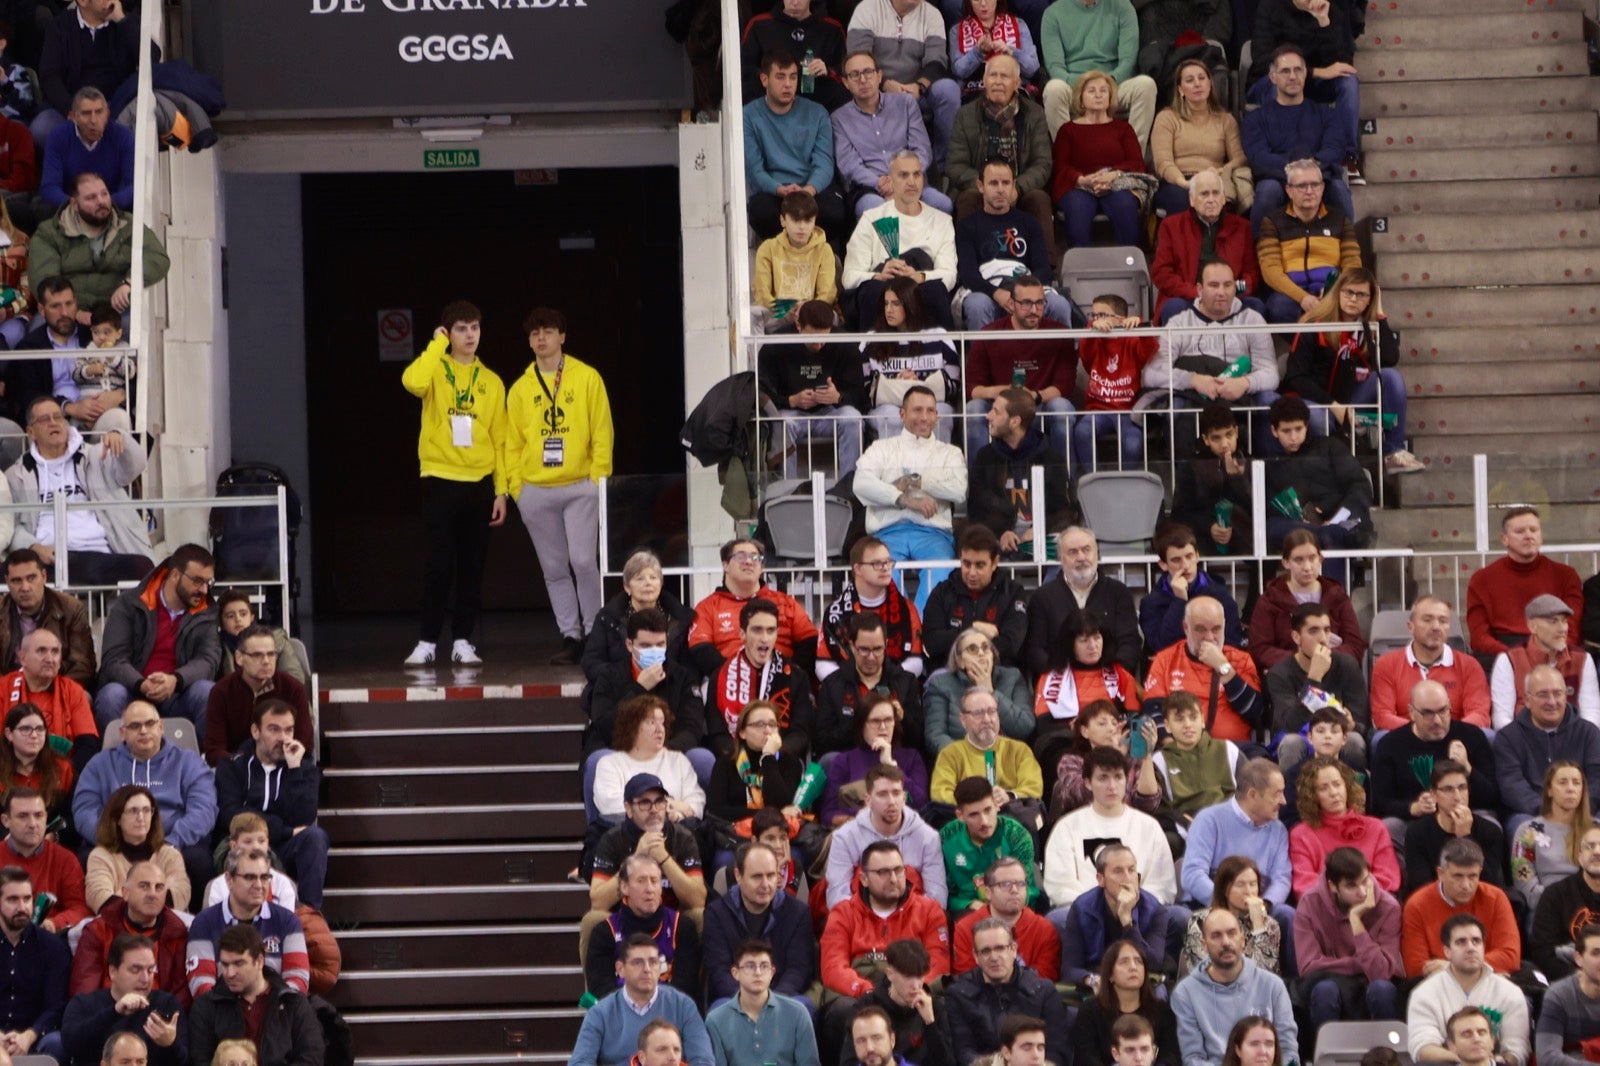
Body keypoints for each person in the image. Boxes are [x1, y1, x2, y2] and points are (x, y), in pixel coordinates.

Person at [399, 300, 507, 668]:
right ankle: (427, 641)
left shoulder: (491, 381)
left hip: (479, 483)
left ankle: (462, 640)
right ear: (448, 332)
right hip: (441, 479)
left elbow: (500, 439)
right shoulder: (435, 368)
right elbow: (410, 382)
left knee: (472, 566)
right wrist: (435, 345)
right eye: (461, 328)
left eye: (474, 327)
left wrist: (502, 490)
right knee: (438, 565)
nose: (470, 335)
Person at [507, 306, 613, 666]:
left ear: (562, 337)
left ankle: (597, 633)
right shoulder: (521, 388)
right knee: (553, 569)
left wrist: (598, 478)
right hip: (535, 489)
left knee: (583, 560)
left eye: (548, 331)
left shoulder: (586, 377)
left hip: (579, 484)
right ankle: (571, 636)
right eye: (535, 333)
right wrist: (516, 488)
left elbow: (602, 431)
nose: (541, 338)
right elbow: (512, 442)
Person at [6, 393, 154, 586]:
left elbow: (134, 468)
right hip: (46, 561)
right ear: (31, 432)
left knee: (143, 566)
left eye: (58, 417)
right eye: (44, 419)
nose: (53, 423)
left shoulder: (95, 456)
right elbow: (11, 527)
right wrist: (34, 547)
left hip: (99, 553)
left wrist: (121, 439)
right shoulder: (16, 475)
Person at [73, 700, 216, 900]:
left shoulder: (188, 762)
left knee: (199, 861)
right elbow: (84, 810)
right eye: (134, 726)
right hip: (115, 844)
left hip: (173, 843)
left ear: (161, 727)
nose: (143, 731)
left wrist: (170, 843)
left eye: (150, 724)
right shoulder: (100, 764)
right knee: (84, 858)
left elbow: (204, 809)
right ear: (122, 732)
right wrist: (111, 840)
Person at [1286, 267, 1422, 473]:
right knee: (1317, 419)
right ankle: (1330, 469)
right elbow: (1296, 377)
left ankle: (1393, 452)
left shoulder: (1369, 326)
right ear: (1338, 292)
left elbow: (1389, 358)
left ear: (1370, 299)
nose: (1353, 299)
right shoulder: (1313, 324)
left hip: (1352, 398)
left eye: (1361, 295)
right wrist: (1333, 406)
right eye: (1348, 292)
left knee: (1392, 377)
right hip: (1316, 400)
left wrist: (1380, 315)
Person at [1143, 259, 1280, 457]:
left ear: (1235, 287)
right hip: (1194, 396)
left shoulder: (1252, 319)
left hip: (1238, 396)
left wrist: (1244, 383)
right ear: (1199, 289)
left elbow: (1271, 373)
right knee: (1176, 406)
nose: (1221, 292)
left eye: (1227, 285)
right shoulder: (1179, 322)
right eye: (1213, 285)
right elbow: (1151, 374)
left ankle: (1264, 475)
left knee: (1270, 400)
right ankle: (1185, 477)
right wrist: (1192, 380)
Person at [853, 387, 967, 613]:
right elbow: (861, 484)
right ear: (902, 414)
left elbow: (959, 491)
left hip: (933, 533)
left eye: (930, 411)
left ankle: (918, 631)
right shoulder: (881, 448)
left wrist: (918, 480)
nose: (924, 417)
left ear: (937, 416)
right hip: (887, 532)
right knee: (882, 573)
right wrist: (901, 499)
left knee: (940, 572)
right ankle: (903, 626)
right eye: (917, 410)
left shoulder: (950, 452)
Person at [213, 698, 327, 911]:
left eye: (288, 730)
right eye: (273, 730)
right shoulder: (232, 766)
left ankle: (310, 915)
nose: (283, 738)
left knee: (315, 837)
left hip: (283, 848)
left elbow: (304, 817)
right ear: (256, 731)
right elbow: (231, 816)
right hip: (243, 846)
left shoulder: (304, 768)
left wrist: (294, 770)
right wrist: (284, 830)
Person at [92, 544, 218, 732]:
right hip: (133, 692)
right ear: (175, 575)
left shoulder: (206, 612)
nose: (204, 590)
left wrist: (176, 680)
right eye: (197, 581)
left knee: (207, 692)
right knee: (111, 695)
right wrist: (142, 684)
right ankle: (118, 760)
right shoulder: (130, 603)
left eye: (208, 582)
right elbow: (114, 659)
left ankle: (196, 760)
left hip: (178, 694)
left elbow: (208, 660)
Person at [1179, 760, 1294, 965]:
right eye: (1276, 794)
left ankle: (1291, 987)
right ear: (1252, 794)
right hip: (1212, 903)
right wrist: (1227, 905)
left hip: (1258, 905)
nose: (1284, 801)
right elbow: (1192, 874)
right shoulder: (1209, 820)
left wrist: (1264, 905)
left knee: (1286, 914)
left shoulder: (1278, 830)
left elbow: (1282, 878)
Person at [584, 772, 706, 964]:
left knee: (699, 916)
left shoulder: (682, 837)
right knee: (593, 920)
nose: (654, 809)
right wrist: (636, 857)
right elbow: (598, 900)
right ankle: (596, 994)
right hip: (626, 920)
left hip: (671, 920)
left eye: (659, 802)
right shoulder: (612, 839)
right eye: (644, 803)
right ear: (628, 808)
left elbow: (698, 899)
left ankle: (696, 993)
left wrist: (664, 858)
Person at [1371, 679, 1499, 849]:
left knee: (1490, 822)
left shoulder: (1472, 736)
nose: (1437, 720)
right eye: (1427, 713)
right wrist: (1412, 808)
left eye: (1443, 711)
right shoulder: (1391, 744)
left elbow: (1492, 797)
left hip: (1465, 816)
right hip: (1414, 822)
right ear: (1411, 712)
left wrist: (1467, 769)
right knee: (1389, 827)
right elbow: (1381, 802)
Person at [945, 55, 1054, 253]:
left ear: (1017, 82)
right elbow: (955, 165)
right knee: (967, 198)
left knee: (1039, 199)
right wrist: (987, 187)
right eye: (992, 75)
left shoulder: (1034, 113)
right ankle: (966, 268)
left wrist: (1016, 188)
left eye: (1004, 76)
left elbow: (1042, 163)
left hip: (1019, 187)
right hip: (978, 188)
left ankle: (1045, 273)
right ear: (984, 81)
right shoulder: (965, 114)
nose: (997, 81)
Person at [1043, 746, 1177, 906]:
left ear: (1127, 780)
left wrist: (1133, 904)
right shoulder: (1067, 827)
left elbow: (1162, 886)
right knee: (1059, 918)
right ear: (1087, 783)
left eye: (1118, 777)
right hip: (1086, 912)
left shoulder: (1149, 826)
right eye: (1103, 778)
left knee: (1178, 917)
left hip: (1140, 909)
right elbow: (1060, 886)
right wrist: (1102, 907)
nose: (1112, 785)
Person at [1246, 0, 1361, 185]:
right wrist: (1315, 72)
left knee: (1348, 81)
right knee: (1274, 84)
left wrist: (1324, 22)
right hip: (1271, 80)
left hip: (1312, 84)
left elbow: (1342, 62)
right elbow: (1261, 59)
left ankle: (1347, 157)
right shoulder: (1270, 7)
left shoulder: (1331, 10)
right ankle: (1275, 164)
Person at [952, 157, 1074, 333]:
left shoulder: (1029, 223)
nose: (1000, 189)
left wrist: (1023, 295)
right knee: (977, 306)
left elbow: (1043, 269)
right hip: (987, 290)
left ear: (1013, 185)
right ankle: (984, 360)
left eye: (1006, 183)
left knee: (1059, 304)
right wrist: (997, 293)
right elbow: (968, 274)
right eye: (993, 183)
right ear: (980, 186)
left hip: (1026, 287)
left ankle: (1060, 360)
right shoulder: (967, 226)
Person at [1293, 846, 1402, 1041]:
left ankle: (1388, 1058)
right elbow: (1309, 967)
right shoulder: (1309, 904)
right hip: (1330, 982)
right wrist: (1359, 963)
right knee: (1325, 990)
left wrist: (1356, 921)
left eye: (1365, 881)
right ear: (1333, 886)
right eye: (1351, 886)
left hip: (1371, 982)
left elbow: (1381, 972)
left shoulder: (1388, 907)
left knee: (1382, 989)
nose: (1362, 892)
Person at [1241, 45, 1352, 232]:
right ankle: (1258, 255)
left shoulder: (1327, 114)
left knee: (1338, 189)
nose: (1292, 76)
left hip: (1318, 177)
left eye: (1298, 70)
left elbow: (1334, 148)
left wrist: (1310, 169)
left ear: (1305, 74)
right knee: (1267, 191)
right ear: (1272, 77)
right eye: (1285, 71)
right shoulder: (1255, 119)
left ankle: (1349, 251)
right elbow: (1257, 155)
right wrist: (1295, 171)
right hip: (1277, 179)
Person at [842, 156, 959, 333]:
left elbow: (949, 275)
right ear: (890, 181)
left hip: (921, 286)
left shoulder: (942, 221)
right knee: (872, 290)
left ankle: (945, 357)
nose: (911, 182)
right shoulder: (871, 218)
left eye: (917, 174)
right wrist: (878, 275)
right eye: (903, 175)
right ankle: (870, 357)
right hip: (881, 287)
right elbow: (849, 277)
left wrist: (918, 276)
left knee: (935, 289)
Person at [819, 841, 951, 998]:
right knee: (841, 1008)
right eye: (883, 872)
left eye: (898, 870)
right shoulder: (843, 913)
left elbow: (938, 966)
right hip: (860, 997)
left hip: (914, 994)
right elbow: (833, 968)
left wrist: (909, 991)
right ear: (864, 879)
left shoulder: (930, 911)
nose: (894, 879)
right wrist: (867, 991)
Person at [1170, 909, 1299, 1066]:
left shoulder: (1273, 985)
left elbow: (1288, 1050)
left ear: (1243, 940)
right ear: (1204, 945)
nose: (1225, 942)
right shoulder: (1185, 993)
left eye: (1231, 933)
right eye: (1216, 936)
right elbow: (1193, 1058)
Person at [964, 285, 1076, 462]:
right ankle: (978, 483)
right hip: (1000, 409)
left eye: (1039, 303)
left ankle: (1065, 483)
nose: (1034, 310)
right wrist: (1003, 392)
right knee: (973, 409)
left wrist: (1034, 395)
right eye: (1026, 303)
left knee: (1062, 408)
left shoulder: (1059, 332)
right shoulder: (989, 334)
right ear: (1011, 303)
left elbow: (1065, 387)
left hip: (1039, 407)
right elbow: (972, 389)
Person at [746, 49, 847, 245]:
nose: (788, 84)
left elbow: (824, 163)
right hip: (776, 190)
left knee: (834, 212)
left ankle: (820, 255)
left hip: (811, 188)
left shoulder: (817, 112)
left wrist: (808, 189)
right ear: (764, 80)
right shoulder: (749, 115)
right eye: (780, 77)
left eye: (793, 77)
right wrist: (780, 189)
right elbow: (755, 170)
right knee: (761, 211)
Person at [29, 173, 169, 314]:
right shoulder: (50, 232)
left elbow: (157, 257)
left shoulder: (128, 225)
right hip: (67, 311)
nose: (101, 201)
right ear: (74, 204)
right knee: (39, 332)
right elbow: (44, 280)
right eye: (91, 198)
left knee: (129, 326)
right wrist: (74, 312)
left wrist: (130, 282)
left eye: (105, 194)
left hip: (115, 310)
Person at [1031, 614, 1142, 792]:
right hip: (1068, 745)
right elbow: (1044, 727)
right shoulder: (1050, 678)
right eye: (1084, 640)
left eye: (1097, 637)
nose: (1093, 646)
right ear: (1071, 644)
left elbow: (1135, 719)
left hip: (1116, 741)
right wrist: (1081, 732)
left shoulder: (1120, 675)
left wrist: (1111, 733)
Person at [845, 0, 961, 170]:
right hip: (877, 91)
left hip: (917, 92)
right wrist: (883, 84)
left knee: (948, 89)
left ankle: (944, 166)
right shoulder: (867, 9)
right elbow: (858, 59)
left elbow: (937, 62)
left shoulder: (932, 14)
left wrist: (919, 87)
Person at [831, 52, 950, 218]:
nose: (863, 80)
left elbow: (922, 149)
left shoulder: (905, 103)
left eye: (868, 72)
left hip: (912, 182)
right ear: (846, 82)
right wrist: (880, 183)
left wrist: (904, 179)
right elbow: (850, 165)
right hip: (870, 189)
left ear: (879, 76)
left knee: (943, 205)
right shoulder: (839, 118)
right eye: (854, 75)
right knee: (879, 211)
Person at [1262, 395, 1372, 571]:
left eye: (1298, 428)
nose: (1293, 437)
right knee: (1273, 527)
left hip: (1341, 520)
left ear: (1306, 425)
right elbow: (1268, 505)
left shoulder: (1331, 446)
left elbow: (1359, 486)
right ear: (1274, 431)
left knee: (1335, 535)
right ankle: (1323, 534)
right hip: (1297, 526)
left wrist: (1334, 514)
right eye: (1286, 431)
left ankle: (1324, 534)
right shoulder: (1270, 464)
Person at [188, 925, 323, 1066]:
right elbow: (200, 1060)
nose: (229, 973)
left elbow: (311, 1057)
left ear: (259, 961)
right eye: (225, 965)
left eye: (238, 964)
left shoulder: (293, 1003)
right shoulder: (206, 1006)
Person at [184, 848, 311, 999]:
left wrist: (268, 1009)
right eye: (250, 877)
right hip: (221, 1016)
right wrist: (238, 1011)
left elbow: (298, 978)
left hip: (278, 1015)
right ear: (229, 880)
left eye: (264, 877)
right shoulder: (203, 923)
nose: (259, 885)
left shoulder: (288, 921)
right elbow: (200, 984)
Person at [756, 303, 865, 478]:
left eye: (825, 338)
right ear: (798, 326)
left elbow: (860, 393)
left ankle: (850, 488)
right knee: (783, 423)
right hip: (791, 413)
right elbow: (761, 392)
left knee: (852, 419)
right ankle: (787, 492)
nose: (820, 344)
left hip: (831, 412)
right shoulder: (776, 343)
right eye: (814, 338)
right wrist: (790, 400)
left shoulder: (843, 341)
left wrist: (838, 397)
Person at [569, 935, 714, 1066]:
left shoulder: (683, 1006)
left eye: (653, 962)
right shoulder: (600, 1013)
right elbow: (580, 1062)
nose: (647, 969)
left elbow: (703, 1060)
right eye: (637, 963)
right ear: (620, 969)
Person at [587, 660, 709, 813]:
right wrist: (664, 805)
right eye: (652, 723)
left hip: (674, 832)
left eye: (663, 723)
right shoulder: (610, 764)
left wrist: (675, 815)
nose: (660, 729)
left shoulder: (679, 761)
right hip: (626, 834)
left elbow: (694, 806)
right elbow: (612, 807)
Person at [702, 843, 814, 1008]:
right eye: (757, 877)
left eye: (771, 875)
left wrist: (772, 1002)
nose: (766, 884)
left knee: (803, 1005)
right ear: (738, 875)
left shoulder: (798, 913)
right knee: (720, 1006)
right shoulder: (717, 913)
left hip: (782, 999)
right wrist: (747, 1001)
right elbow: (719, 970)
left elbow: (798, 969)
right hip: (735, 1000)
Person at [687, 538, 819, 678]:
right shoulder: (708, 607)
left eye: (755, 557)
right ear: (725, 565)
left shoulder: (786, 603)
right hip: (729, 682)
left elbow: (809, 642)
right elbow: (701, 649)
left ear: (762, 567)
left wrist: (786, 676)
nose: (749, 562)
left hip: (782, 682)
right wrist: (735, 676)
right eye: (741, 556)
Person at [1406, 916, 1529, 1066]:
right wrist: (1469, 1061)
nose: (1470, 948)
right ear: (1447, 951)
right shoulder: (1424, 993)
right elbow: (1422, 1048)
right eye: (1461, 942)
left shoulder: (1510, 993)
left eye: (1476, 941)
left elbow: (1516, 1049)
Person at [944, 919, 1070, 1066]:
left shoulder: (1044, 991)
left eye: (1000, 948)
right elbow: (963, 1052)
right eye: (986, 951)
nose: (994, 957)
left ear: (1014, 949)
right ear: (976, 956)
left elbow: (1056, 1051)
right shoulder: (959, 994)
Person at [1468, 507, 1584, 665]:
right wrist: (1515, 656)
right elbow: (1479, 637)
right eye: (1520, 531)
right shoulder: (1481, 579)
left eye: (1534, 530)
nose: (1528, 536)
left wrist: (1547, 653)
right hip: (1500, 655)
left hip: (1554, 651)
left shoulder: (1566, 576)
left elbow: (1572, 628)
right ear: (1504, 539)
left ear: (1541, 536)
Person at [1058, 844, 1187, 984]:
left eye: (1131, 870)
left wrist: (1127, 920)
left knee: (1159, 995)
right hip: (1098, 981)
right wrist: (1092, 980)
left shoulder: (1155, 910)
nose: (1127, 878)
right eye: (1118, 871)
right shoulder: (1081, 908)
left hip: (1140, 982)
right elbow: (1070, 969)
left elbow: (1153, 963)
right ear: (1101, 879)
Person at [1495, 664, 1600, 837]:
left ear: (1566, 696)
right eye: (1543, 695)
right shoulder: (1508, 737)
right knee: (1522, 828)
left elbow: (1597, 779)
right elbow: (1512, 785)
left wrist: (1579, 811)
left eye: (1558, 693)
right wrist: (1552, 813)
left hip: (1584, 810)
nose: (1552, 702)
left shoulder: (1589, 733)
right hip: (1531, 813)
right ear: (1527, 700)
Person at [1142, 596, 1263, 744]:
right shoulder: (1165, 660)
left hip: (1233, 750)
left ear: (1224, 626)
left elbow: (1254, 712)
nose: (1210, 637)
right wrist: (1171, 747)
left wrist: (1224, 668)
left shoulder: (1241, 659)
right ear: (1186, 628)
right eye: (1201, 629)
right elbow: (1153, 710)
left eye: (1216, 629)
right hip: (1182, 750)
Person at [1023, 525, 1142, 676]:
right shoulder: (1042, 597)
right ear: (1060, 559)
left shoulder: (1118, 593)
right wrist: (1062, 680)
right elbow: (1035, 650)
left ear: (1097, 554)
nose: (1080, 557)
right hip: (1059, 688)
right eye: (1072, 552)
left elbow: (1129, 644)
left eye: (1086, 550)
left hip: (1110, 684)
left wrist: (1109, 678)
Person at [1255, 158, 1362, 324]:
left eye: (1315, 185)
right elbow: (1270, 270)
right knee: (1278, 307)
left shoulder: (1340, 219)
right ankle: (1311, 347)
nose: (1309, 191)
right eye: (1302, 186)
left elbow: (1353, 264)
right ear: (1289, 190)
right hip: (1291, 295)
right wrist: (1302, 297)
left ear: (1323, 188)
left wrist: (1332, 293)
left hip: (1331, 291)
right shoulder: (1272, 221)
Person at [1049, 71, 1147, 249]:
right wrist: (1082, 179)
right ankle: (1079, 267)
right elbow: (1060, 166)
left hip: (1115, 184)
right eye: (1091, 91)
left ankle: (1130, 263)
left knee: (1125, 204)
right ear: (1081, 98)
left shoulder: (1123, 128)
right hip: (1078, 185)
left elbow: (1136, 162)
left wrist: (1112, 175)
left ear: (1111, 97)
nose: (1098, 95)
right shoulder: (1068, 130)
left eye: (1103, 90)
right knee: (1077, 206)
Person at [584, 853, 701, 1001]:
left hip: (669, 1015)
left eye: (654, 881)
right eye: (641, 881)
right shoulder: (605, 932)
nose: (650, 889)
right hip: (621, 1017)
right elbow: (602, 990)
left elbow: (685, 989)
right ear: (624, 887)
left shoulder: (682, 927)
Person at [1038, 0, 1158, 146]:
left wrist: (1106, 83)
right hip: (1074, 87)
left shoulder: (1123, 6)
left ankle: (1134, 158)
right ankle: (1068, 159)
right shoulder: (1053, 13)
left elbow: (1128, 61)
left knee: (1146, 85)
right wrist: (1084, 86)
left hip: (1113, 84)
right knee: (1053, 89)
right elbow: (1055, 67)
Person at [707, 603, 816, 761]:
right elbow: (717, 734)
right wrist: (743, 758)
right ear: (742, 633)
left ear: (777, 634)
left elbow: (801, 733)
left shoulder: (795, 676)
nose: (764, 638)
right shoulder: (720, 676)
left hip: (781, 761)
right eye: (757, 630)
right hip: (735, 762)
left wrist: (772, 755)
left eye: (770, 631)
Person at [1247, 529, 1366, 675]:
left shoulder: (1337, 595)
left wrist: (1325, 658)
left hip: (1333, 673)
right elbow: (1259, 649)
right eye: (1298, 560)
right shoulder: (1269, 600)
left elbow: (1355, 645)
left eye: (1312, 558)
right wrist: (1301, 660)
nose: (1307, 567)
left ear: (1320, 559)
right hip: (1287, 678)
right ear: (1286, 563)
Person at [1152, 169, 1262, 325]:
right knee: (1173, 307)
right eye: (1204, 194)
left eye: (1216, 193)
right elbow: (1162, 273)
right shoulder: (1171, 226)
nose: (1211, 200)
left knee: (1255, 306)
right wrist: (1198, 294)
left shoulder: (1243, 227)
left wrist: (1231, 291)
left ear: (1224, 198)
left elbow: (1251, 277)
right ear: (1191, 199)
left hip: (1231, 299)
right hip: (1187, 298)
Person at [827, 764, 945, 908]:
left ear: (904, 797)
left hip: (912, 920)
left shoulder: (928, 837)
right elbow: (836, 896)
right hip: (862, 920)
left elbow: (937, 897)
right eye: (882, 794)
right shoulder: (844, 837)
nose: (891, 801)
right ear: (868, 800)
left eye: (896, 793)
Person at [967, 388, 1071, 552]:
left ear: (1014, 422)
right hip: (996, 540)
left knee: (1067, 550)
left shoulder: (1051, 458)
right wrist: (1001, 532)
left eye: (996, 412)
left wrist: (1039, 530)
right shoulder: (985, 456)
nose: (988, 416)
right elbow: (976, 508)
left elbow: (1063, 511)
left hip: (1043, 540)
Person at [69, 860, 189, 1000]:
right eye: (144, 886)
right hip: (108, 1015)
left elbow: (181, 998)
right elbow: (84, 995)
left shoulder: (177, 933)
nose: (152, 894)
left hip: (157, 1017)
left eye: (159, 887)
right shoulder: (98, 930)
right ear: (125, 893)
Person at [1265, 603, 1370, 765]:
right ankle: (1292, 791)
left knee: (1354, 741)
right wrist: (1314, 677)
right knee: (1291, 743)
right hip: (1301, 738)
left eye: (1327, 630)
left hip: (1337, 736)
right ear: (1296, 637)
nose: (1322, 639)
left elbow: (1362, 724)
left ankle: (1355, 790)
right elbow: (1290, 726)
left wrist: (1352, 724)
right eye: (1313, 631)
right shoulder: (1279, 673)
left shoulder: (1347, 665)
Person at [59, 934, 185, 1066]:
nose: (145, 979)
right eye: (135, 970)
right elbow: (70, 1045)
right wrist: (114, 1012)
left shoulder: (166, 1004)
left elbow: (184, 1060)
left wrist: (171, 1043)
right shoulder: (84, 1003)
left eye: (150, 970)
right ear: (113, 971)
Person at [815, 614, 926, 763]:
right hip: (849, 764)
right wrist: (861, 719)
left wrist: (902, 718)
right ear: (852, 646)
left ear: (886, 645)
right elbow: (822, 743)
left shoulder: (906, 681)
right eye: (864, 650)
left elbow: (919, 740)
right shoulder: (832, 684)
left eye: (878, 649)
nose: (872, 657)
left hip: (894, 762)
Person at [1401, 839, 1520, 978]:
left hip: (1488, 985)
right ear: (1441, 874)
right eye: (1458, 876)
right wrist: (1480, 968)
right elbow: (1416, 968)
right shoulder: (1417, 905)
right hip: (1440, 991)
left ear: (1480, 873)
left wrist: (1452, 967)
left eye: (1472, 876)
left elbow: (1510, 956)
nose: (1466, 885)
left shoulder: (1496, 898)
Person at [1370, 598, 1492, 731]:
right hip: (1404, 738)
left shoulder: (1470, 666)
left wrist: (1447, 732)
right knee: (1380, 740)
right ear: (1411, 627)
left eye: (1443, 621)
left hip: (1457, 736)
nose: (1436, 627)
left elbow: (1479, 714)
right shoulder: (1386, 664)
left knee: (1488, 736)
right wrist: (1421, 731)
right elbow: (1382, 716)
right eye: (1427, 620)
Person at [1150, 61, 1250, 219]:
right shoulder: (1167, 118)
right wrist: (1185, 183)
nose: (1197, 84)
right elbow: (1163, 163)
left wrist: (1221, 170)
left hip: (1213, 179)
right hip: (1178, 181)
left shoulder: (1225, 120)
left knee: (1222, 201)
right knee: (1184, 201)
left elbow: (1239, 157)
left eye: (1202, 78)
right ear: (1180, 90)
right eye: (1189, 80)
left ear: (1210, 84)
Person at [816, 537, 925, 682]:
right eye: (877, 564)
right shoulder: (834, 613)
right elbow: (823, 664)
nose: (886, 568)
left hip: (894, 689)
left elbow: (916, 662)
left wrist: (882, 680)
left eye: (888, 562)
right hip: (847, 691)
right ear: (858, 569)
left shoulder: (907, 609)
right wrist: (857, 684)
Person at [202, 623, 312, 767]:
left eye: (271, 654)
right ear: (239, 658)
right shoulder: (221, 691)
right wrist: (247, 767)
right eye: (257, 655)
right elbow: (214, 750)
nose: (266, 661)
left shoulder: (292, 688)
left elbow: (304, 743)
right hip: (238, 771)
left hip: (283, 766)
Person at [920, 526, 1028, 670]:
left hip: (999, 674)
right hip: (949, 674)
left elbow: (1011, 645)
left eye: (979, 565)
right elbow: (932, 643)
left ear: (995, 562)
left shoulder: (1012, 593)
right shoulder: (942, 592)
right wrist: (973, 628)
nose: (972, 572)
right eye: (966, 564)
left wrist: (957, 638)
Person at [831, 940, 955, 1066]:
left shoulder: (935, 1008)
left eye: (919, 977)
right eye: (907, 976)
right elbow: (849, 1061)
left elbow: (947, 1063)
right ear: (890, 974)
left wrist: (930, 1024)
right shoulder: (865, 1009)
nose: (916, 985)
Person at [1289, 757, 1398, 896]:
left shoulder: (1376, 827)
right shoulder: (1301, 834)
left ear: (1347, 786)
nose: (1334, 793)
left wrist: (1358, 895)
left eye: (1337, 784)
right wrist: (1342, 898)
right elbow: (1304, 884)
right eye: (1323, 788)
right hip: (1325, 907)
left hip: (1371, 902)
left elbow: (1388, 877)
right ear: (1312, 796)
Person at [582, 550, 695, 684]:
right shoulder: (607, 618)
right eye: (640, 578)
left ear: (660, 584)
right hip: (621, 692)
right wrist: (632, 678)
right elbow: (592, 664)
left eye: (653, 578)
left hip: (670, 690)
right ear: (627, 587)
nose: (648, 583)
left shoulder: (679, 618)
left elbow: (690, 667)